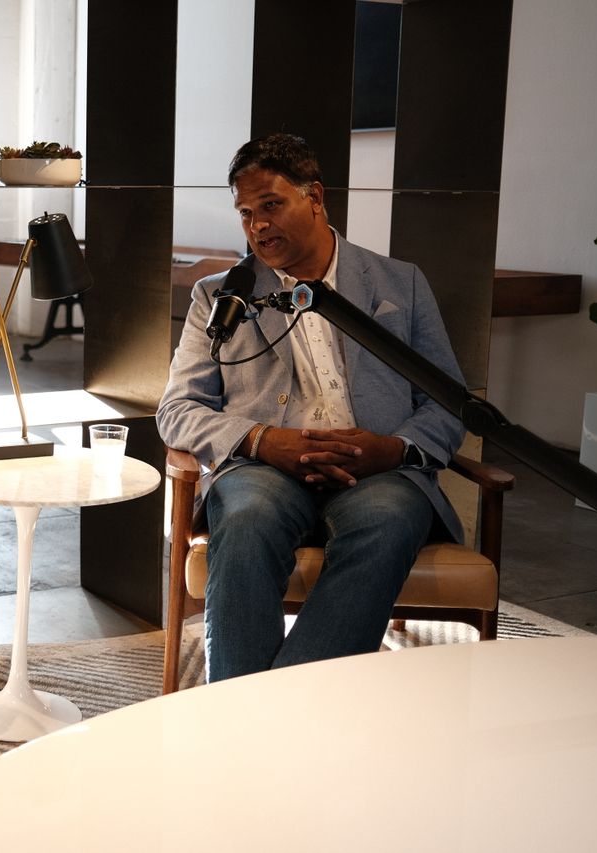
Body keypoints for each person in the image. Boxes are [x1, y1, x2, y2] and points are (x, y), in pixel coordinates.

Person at [157, 133, 466, 683]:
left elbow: (448, 405)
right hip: (265, 469)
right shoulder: (221, 296)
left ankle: (261, 716)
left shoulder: (401, 284)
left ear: (316, 197)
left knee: (391, 519)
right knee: (248, 519)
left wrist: (392, 448)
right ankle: (262, 716)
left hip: (378, 471)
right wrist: (260, 440)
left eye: (271, 205)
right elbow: (178, 409)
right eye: (246, 213)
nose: (257, 225)